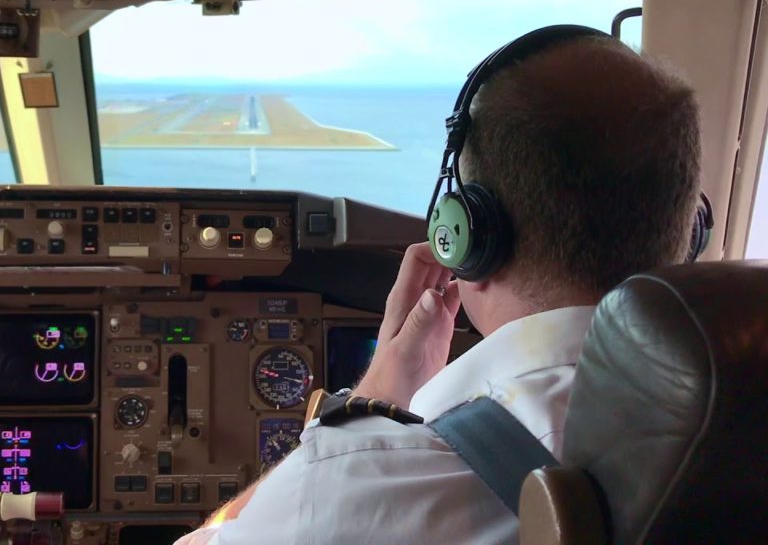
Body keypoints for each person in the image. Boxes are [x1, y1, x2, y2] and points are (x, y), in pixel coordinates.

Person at [175, 27, 702, 544]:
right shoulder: (740, 423)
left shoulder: (358, 483)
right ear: (688, 229)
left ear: (467, 233)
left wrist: (369, 402)